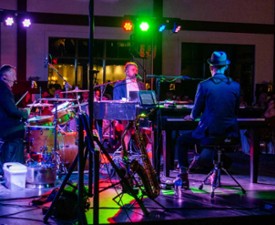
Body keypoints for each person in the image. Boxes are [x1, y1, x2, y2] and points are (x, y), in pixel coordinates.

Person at [174, 51, 240, 189]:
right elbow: (235, 111)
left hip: (210, 133)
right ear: (225, 67)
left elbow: (195, 112)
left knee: (182, 140)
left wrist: (191, 117)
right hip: (229, 133)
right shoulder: (235, 86)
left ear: (211, 67)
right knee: (216, 143)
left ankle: (184, 176)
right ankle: (214, 174)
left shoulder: (204, 85)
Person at [0, 64, 30, 175]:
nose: (15, 79)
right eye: (13, 75)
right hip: (9, 129)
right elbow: (11, 110)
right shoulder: (4, 89)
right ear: (4, 77)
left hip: (3, 127)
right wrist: (24, 113)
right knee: (18, 137)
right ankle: (16, 173)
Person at [113, 62, 146, 152]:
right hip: (125, 112)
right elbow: (116, 101)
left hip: (139, 111)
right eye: (133, 70)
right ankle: (125, 151)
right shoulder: (119, 85)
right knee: (126, 129)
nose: (135, 72)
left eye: (136, 70)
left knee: (143, 128)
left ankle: (143, 152)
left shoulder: (141, 85)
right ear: (127, 72)